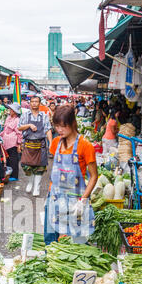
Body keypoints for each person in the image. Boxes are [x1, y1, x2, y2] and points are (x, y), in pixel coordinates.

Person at [44, 105, 98, 245]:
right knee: (50, 238)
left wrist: (84, 200)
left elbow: (93, 176)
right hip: (55, 196)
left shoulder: (85, 146)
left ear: (73, 123)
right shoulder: (56, 143)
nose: (59, 130)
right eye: (56, 126)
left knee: (78, 239)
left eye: (63, 126)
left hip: (76, 199)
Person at [18, 95, 52, 196]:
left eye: (36, 101)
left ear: (39, 103)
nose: (34, 103)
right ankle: (30, 182)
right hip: (28, 144)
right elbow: (19, 128)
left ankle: (36, 187)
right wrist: (29, 125)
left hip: (40, 144)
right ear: (30, 103)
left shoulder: (44, 116)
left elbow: (48, 130)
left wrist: (50, 143)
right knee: (26, 166)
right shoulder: (25, 115)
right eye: (32, 101)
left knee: (40, 167)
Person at [0, 102, 22, 181]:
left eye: (11, 109)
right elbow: (4, 130)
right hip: (6, 142)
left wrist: (19, 144)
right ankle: (8, 174)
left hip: (13, 143)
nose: (9, 110)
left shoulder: (17, 120)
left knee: (14, 160)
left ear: (14, 111)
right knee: (8, 159)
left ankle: (14, 176)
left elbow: (19, 133)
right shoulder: (8, 118)